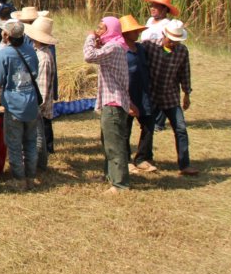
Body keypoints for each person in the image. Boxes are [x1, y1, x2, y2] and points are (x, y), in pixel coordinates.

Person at [83, 16, 139, 194]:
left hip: (113, 103)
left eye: (102, 28)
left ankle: (120, 184)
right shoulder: (116, 46)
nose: (98, 31)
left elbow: (89, 56)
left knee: (114, 144)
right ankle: (110, 175)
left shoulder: (113, 47)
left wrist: (90, 37)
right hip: (113, 102)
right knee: (108, 141)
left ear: (111, 30)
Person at [140, 20, 199, 176]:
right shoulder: (149, 46)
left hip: (170, 95)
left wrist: (187, 94)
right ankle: (146, 159)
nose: (173, 44)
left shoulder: (182, 51)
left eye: (176, 41)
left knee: (181, 128)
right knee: (148, 129)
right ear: (164, 35)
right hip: (152, 94)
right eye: (171, 40)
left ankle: (184, 164)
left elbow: (184, 73)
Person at [0, 21, 40, 190]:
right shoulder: (31, 50)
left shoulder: (3, 54)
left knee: (14, 144)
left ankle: (19, 180)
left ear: (7, 35)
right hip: (31, 102)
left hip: (14, 104)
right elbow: (35, 72)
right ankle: (31, 177)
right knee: (31, 142)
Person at [119, 14, 156, 174]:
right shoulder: (120, 50)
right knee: (125, 129)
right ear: (126, 33)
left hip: (143, 94)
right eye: (134, 31)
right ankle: (126, 160)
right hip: (127, 95)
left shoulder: (141, 49)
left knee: (148, 126)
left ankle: (142, 158)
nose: (137, 33)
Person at [141, 0, 179, 132]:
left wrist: (165, 57)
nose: (152, 8)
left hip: (159, 59)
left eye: (156, 6)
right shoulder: (150, 21)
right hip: (147, 58)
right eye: (152, 5)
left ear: (164, 10)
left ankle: (159, 122)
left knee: (161, 88)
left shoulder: (167, 25)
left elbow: (170, 45)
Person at [25, 16, 58, 171]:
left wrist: (38, 106)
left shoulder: (43, 58)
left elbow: (43, 87)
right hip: (38, 102)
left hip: (39, 104)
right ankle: (41, 164)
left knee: (38, 136)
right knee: (40, 136)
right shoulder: (40, 53)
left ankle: (38, 165)